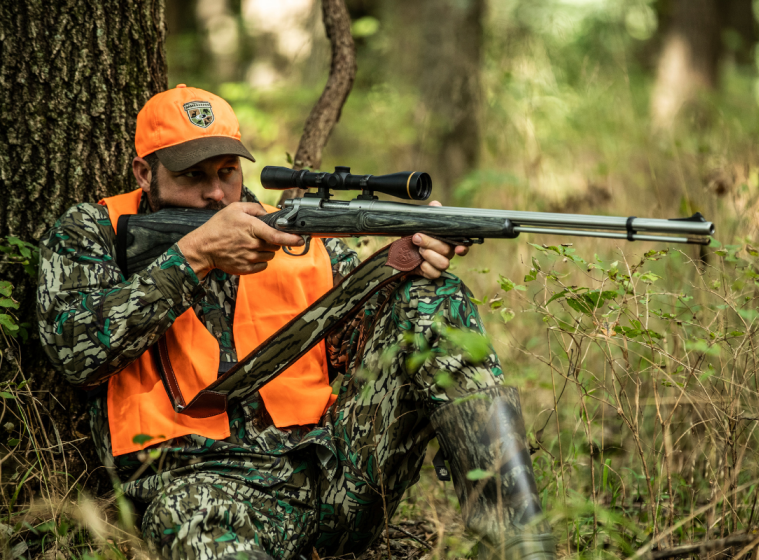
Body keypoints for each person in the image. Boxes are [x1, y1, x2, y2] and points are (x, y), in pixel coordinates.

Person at [37, 85, 554, 560]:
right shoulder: (94, 232)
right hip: (203, 489)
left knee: (435, 300)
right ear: (144, 174)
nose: (217, 195)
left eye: (226, 173)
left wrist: (409, 260)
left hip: (334, 477)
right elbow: (77, 351)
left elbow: (371, 342)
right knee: (188, 521)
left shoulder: (290, 239)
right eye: (193, 176)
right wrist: (192, 257)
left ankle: (522, 544)